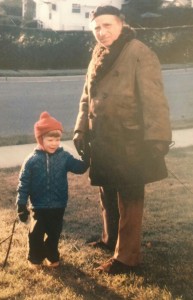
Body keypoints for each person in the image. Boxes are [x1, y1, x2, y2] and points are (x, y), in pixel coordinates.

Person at [73, 5, 172, 275]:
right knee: (107, 190)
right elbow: (87, 96)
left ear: (121, 23)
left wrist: (158, 137)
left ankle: (127, 257)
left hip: (130, 139)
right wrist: (80, 130)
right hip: (103, 138)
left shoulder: (140, 52)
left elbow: (155, 100)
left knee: (129, 195)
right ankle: (109, 240)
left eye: (107, 25)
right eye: (96, 28)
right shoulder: (98, 54)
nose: (101, 32)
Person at [16, 111, 89, 269]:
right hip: (38, 206)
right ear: (40, 139)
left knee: (54, 234)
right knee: (36, 234)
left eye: (57, 139)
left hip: (58, 205)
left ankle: (52, 256)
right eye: (50, 139)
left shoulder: (64, 157)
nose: (54, 143)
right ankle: (35, 259)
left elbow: (79, 168)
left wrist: (88, 158)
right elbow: (24, 183)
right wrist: (21, 205)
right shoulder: (31, 160)